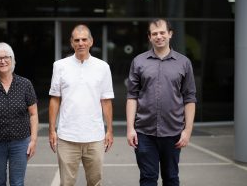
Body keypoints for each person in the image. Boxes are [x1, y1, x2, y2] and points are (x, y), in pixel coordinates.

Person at [126, 18, 197, 186]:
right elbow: (132, 96)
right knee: (148, 179)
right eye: (155, 33)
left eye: (162, 32)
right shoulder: (139, 61)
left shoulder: (184, 63)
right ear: (150, 37)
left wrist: (187, 130)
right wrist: (130, 128)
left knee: (171, 178)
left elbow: (190, 97)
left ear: (170, 34)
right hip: (144, 133)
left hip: (174, 133)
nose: (159, 36)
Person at [48, 24, 114, 186]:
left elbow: (106, 101)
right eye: (76, 40)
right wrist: (52, 130)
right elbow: (55, 99)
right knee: (66, 183)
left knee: (95, 182)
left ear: (91, 41)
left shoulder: (103, 67)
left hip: (95, 137)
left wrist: (110, 130)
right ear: (71, 43)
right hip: (67, 137)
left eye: (84, 39)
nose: (81, 43)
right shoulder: (60, 66)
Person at [0, 42, 38, 186]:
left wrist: (33, 140)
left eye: (6, 57)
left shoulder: (25, 84)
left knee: (17, 183)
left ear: (12, 59)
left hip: (21, 142)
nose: (3, 61)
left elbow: (33, 114)